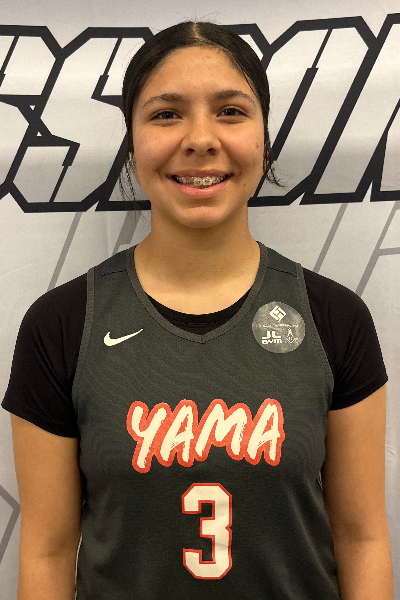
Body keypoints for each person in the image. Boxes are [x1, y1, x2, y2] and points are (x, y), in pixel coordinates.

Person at [2, 21, 393, 600]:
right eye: (166, 114)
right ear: (132, 143)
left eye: (231, 111)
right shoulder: (60, 326)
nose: (201, 138)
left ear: (264, 137)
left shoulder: (335, 319)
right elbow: (47, 551)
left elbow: (362, 538)